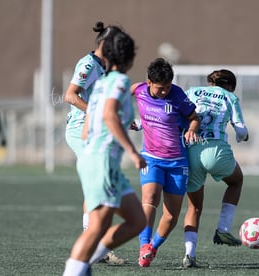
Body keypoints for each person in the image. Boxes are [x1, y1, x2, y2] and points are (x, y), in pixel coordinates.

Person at [63, 28, 147, 276]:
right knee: (97, 227)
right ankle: (76, 270)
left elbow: (91, 124)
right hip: (101, 161)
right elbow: (107, 115)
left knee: (137, 221)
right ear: (129, 58)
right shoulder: (118, 81)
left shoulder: (102, 84)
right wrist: (132, 152)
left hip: (98, 158)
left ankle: (86, 263)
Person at [64, 21, 126, 264]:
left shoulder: (104, 67)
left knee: (100, 182)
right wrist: (97, 112)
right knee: (98, 181)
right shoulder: (88, 64)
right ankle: (92, 243)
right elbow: (70, 95)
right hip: (81, 130)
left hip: (94, 130)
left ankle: (92, 243)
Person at [130, 58, 200, 267]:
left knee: (171, 215)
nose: (164, 91)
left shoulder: (177, 95)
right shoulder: (139, 90)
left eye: (168, 87)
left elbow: (194, 117)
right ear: (149, 82)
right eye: (161, 88)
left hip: (178, 162)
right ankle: (143, 245)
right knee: (150, 197)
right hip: (151, 158)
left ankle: (153, 247)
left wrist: (191, 129)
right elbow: (120, 95)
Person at [182, 69, 249, 268]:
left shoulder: (192, 91)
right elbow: (241, 130)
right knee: (236, 182)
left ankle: (189, 256)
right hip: (216, 150)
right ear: (230, 86)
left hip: (191, 150)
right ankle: (223, 229)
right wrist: (243, 137)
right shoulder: (230, 97)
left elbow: (177, 113)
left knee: (194, 207)